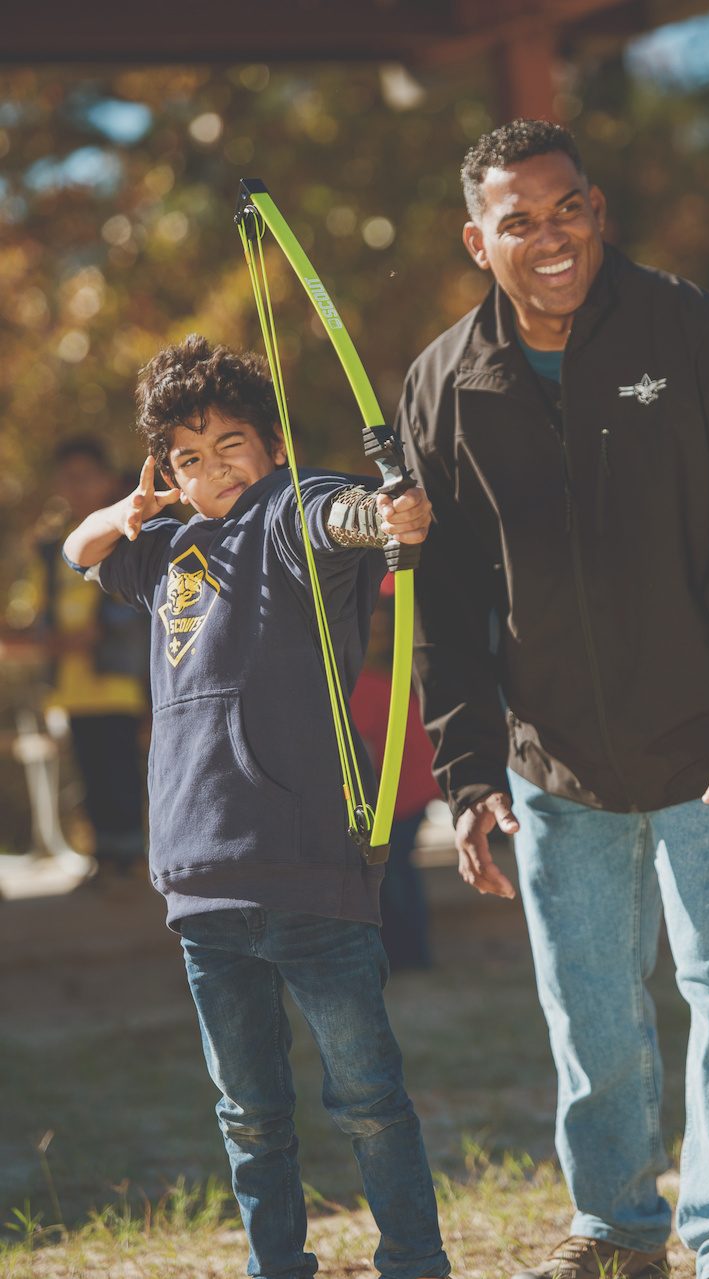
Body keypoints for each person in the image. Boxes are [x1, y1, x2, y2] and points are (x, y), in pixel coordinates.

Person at [395, 119, 709, 1279]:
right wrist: (466, 773)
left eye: (569, 209)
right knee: (588, 1010)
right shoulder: (442, 385)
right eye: (518, 220)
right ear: (474, 239)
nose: (550, 238)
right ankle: (613, 1226)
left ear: (597, 209)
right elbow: (439, 604)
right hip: (554, 765)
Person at [63, 335, 449, 1279]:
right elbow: (80, 550)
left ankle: (413, 1262)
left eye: (231, 442)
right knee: (248, 1111)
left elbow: (348, 517)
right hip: (202, 881)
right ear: (166, 469)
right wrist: (133, 505)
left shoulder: (291, 506)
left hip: (310, 866)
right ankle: (278, 1265)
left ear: (272, 443)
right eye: (187, 457)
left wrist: (388, 511)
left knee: (366, 1096)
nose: (213, 469)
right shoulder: (162, 549)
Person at [11, 437, 149, 877]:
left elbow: (127, 613)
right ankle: (104, 860)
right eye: (68, 478)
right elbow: (41, 614)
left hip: (118, 682)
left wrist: (86, 636)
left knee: (122, 773)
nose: (76, 487)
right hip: (71, 689)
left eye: (86, 477)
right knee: (90, 776)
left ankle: (130, 861)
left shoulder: (128, 534)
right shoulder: (52, 549)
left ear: (108, 480)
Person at [350, 575, 440, 970]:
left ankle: (410, 953)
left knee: (394, 873)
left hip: (403, 792)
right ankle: (409, 952)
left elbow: (362, 754)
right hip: (412, 787)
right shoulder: (384, 677)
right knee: (398, 871)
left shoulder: (368, 685)